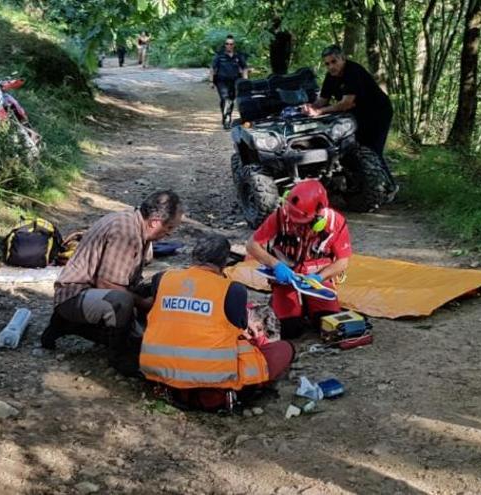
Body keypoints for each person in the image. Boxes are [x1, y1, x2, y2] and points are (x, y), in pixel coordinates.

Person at [140, 234, 295, 411]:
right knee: (284, 349)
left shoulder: (162, 279)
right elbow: (239, 329)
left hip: (160, 376)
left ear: (194, 256)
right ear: (223, 263)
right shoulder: (232, 289)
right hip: (211, 388)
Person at [43, 191, 183, 375]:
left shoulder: (138, 226)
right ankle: (119, 356)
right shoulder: (126, 232)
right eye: (169, 228)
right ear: (155, 222)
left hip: (94, 292)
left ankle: (81, 327)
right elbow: (107, 283)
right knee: (121, 303)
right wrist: (143, 303)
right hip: (75, 295)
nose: (168, 234)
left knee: (159, 283)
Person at [246, 180, 352, 339]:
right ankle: (285, 304)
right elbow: (252, 245)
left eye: (300, 222)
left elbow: (342, 262)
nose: (295, 225)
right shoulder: (281, 216)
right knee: (289, 330)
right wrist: (276, 265)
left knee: (327, 322)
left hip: (317, 278)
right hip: (285, 277)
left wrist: (319, 277)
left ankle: (310, 306)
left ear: (318, 216)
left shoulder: (335, 222)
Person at [302, 45, 393, 173]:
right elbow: (322, 100)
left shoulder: (353, 71)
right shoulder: (330, 76)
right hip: (358, 115)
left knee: (372, 151)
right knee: (354, 148)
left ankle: (386, 187)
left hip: (378, 113)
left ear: (343, 59)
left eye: (334, 61)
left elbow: (346, 104)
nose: (331, 66)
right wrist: (309, 107)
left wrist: (319, 112)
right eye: (327, 64)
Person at [210, 35, 248, 129]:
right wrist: (211, 81)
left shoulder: (238, 56)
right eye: (227, 44)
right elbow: (212, 68)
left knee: (230, 100)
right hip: (221, 81)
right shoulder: (219, 56)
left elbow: (244, 68)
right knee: (225, 99)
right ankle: (227, 120)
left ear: (234, 45)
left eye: (231, 44)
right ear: (225, 45)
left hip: (234, 82)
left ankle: (226, 116)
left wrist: (245, 81)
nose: (229, 45)